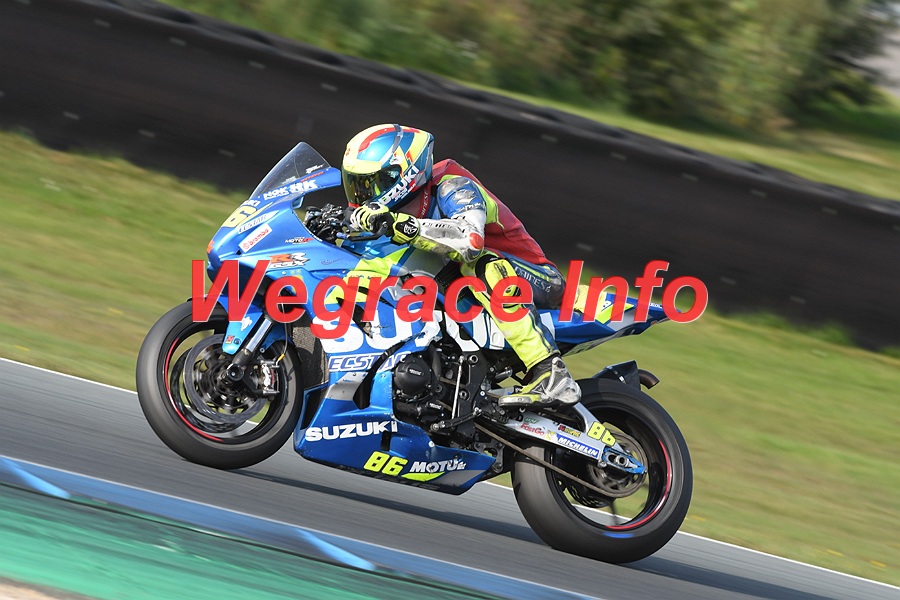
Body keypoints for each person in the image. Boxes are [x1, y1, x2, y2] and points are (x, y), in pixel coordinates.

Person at [341, 123, 580, 408]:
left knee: (482, 265)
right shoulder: (388, 214)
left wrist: (400, 225)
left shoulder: (453, 186)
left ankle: (550, 371)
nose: (363, 196)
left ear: (403, 176)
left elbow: (470, 241)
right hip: (470, 291)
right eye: (356, 186)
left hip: (536, 279)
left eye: (371, 184)